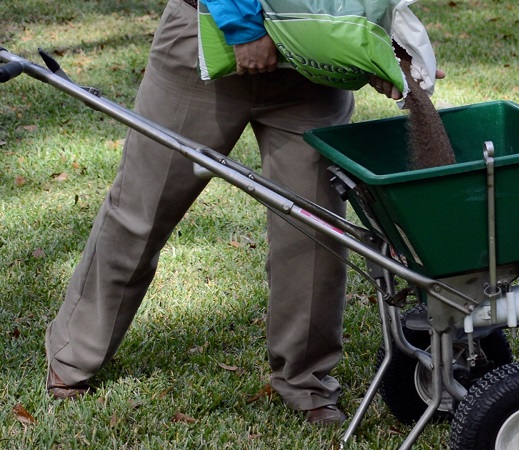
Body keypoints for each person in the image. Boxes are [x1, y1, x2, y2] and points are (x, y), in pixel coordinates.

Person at [44, 0, 414, 426]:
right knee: (141, 212)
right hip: (207, 39)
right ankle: (74, 356)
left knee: (314, 231)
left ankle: (306, 380)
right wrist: (242, 27)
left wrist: (391, 37)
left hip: (315, 52)